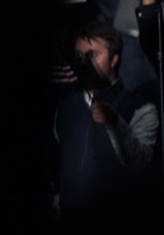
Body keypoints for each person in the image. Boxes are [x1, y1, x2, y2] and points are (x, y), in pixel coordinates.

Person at [54, 20, 161, 233]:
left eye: (92, 54)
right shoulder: (66, 107)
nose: (83, 62)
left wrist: (116, 124)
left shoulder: (140, 108)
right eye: (79, 56)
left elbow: (140, 161)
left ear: (114, 59)